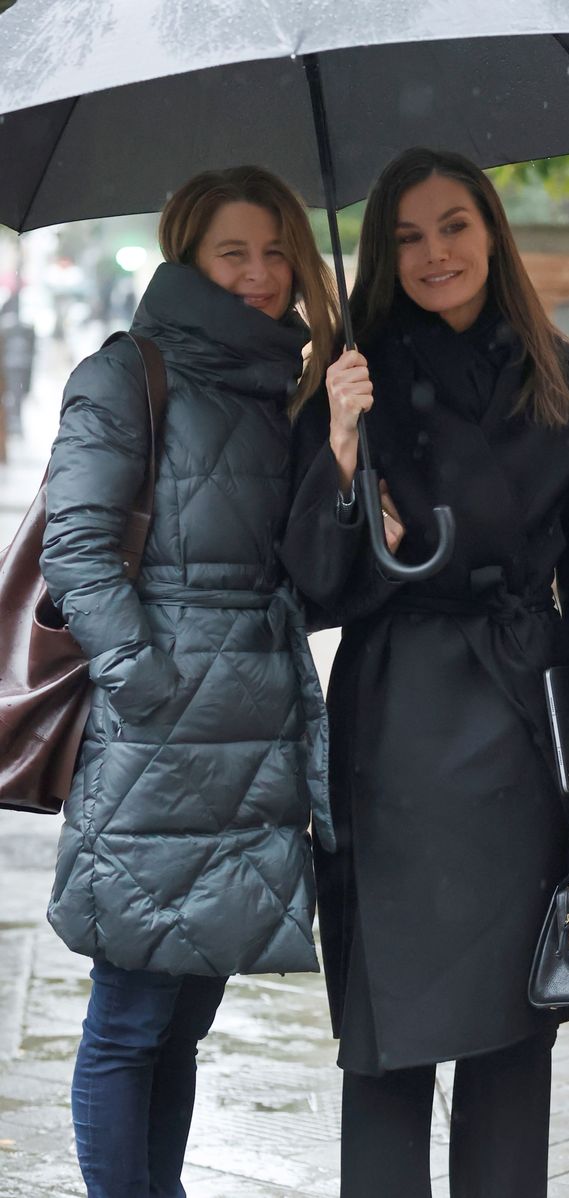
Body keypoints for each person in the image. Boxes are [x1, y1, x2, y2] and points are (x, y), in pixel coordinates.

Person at [281, 146, 569, 1198]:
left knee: (514, 1035)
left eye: (454, 226)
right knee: (390, 1035)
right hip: (395, 724)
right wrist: (339, 447)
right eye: (406, 235)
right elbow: (310, 589)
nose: (434, 253)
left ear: (492, 231)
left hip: (528, 721)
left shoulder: (567, 377)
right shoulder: (355, 378)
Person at [40, 165, 340, 1198]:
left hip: (254, 739)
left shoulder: (284, 387)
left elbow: (313, 568)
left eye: (274, 252)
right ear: (187, 257)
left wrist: (345, 437)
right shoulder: (129, 372)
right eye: (232, 252)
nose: (259, 275)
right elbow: (75, 548)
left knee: (184, 1020)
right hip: (159, 742)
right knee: (129, 1018)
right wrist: (148, 687)